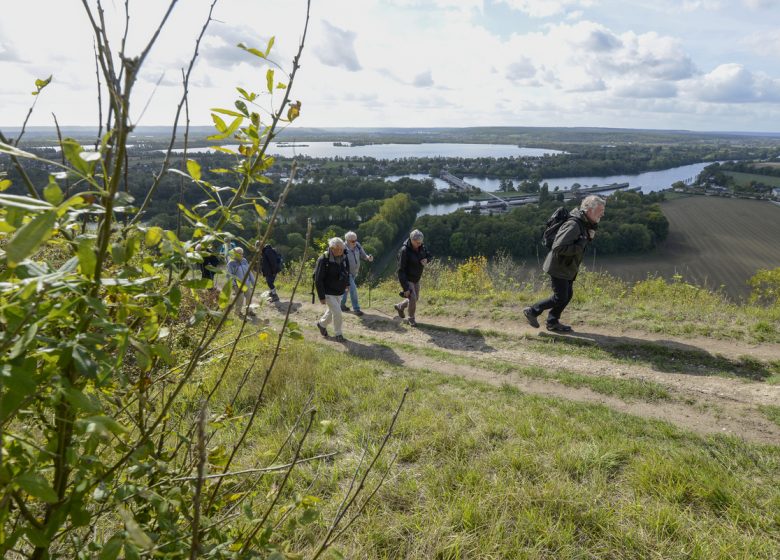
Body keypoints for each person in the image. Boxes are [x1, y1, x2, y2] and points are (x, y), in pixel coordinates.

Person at [523, 195, 606, 332]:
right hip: (558, 267)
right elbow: (558, 248)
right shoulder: (573, 225)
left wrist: (586, 239)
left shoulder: (585, 223)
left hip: (567, 267)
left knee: (567, 295)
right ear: (589, 210)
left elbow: (577, 242)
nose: (603, 213)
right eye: (600, 210)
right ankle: (532, 311)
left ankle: (552, 321)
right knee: (560, 297)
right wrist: (582, 243)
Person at [314, 237, 350, 342]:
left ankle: (321, 324)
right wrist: (321, 296)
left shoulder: (344, 256)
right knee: (337, 312)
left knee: (332, 311)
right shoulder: (323, 260)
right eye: (338, 249)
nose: (340, 251)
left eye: (342, 249)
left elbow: (346, 271)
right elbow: (318, 279)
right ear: (332, 248)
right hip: (328, 292)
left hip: (339, 291)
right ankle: (338, 334)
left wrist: (347, 284)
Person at [394, 229, 432, 327]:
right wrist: (406, 288)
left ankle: (400, 306)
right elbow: (400, 270)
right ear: (411, 240)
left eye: (421, 242)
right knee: (413, 298)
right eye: (417, 242)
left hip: (416, 278)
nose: (419, 244)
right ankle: (411, 318)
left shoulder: (422, 247)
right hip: (407, 278)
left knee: (415, 299)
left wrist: (426, 259)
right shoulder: (404, 251)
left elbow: (429, 255)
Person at [340, 231, 374, 316]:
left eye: (355, 240)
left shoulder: (357, 245)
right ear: (347, 240)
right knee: (353, 289)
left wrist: (368, 258)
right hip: (346, 273)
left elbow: (364, 255)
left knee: (346, 289)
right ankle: (356, 309)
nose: (355, 242)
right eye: (352, 241)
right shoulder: (342, 248)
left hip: (355, 272)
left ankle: (341, 305)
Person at [226, 246, 256, 319]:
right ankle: (238, 313)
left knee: (249, 297)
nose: (241, 255)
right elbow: (229, 276)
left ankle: (249, 311)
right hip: (238, 285)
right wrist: (234, 285)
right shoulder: (231, 263)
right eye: (239, 253)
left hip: (247, 284)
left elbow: (249, 272)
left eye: (242, 253)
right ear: (235, 253)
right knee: (240, 298)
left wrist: (253, 281)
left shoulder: (244, 260)